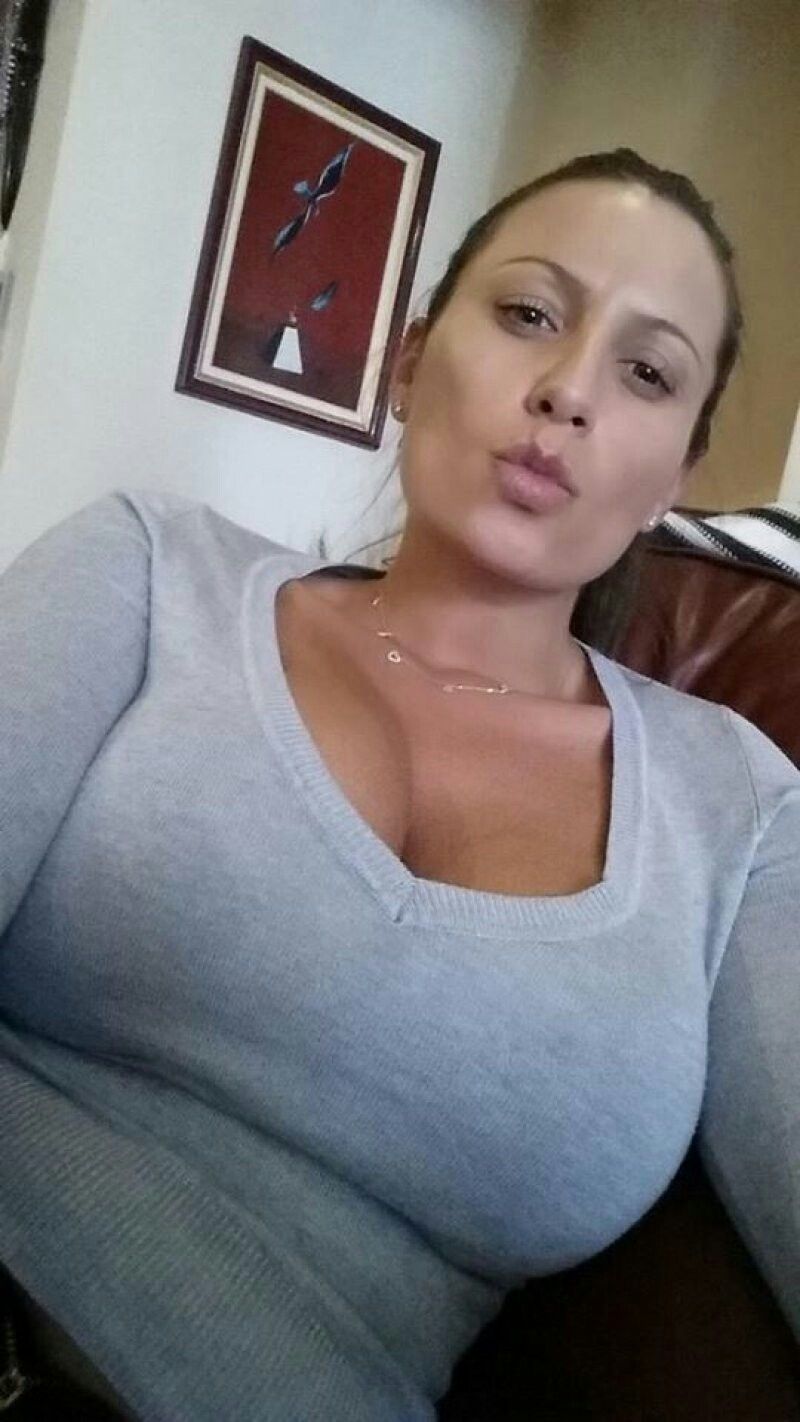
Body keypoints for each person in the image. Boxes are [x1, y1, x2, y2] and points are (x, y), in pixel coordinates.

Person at [1, 147, 798, 1421]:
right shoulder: (151, 568)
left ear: (675, 476)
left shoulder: (741, 809)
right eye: (528, 312)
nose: (567, 390)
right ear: (411, 361)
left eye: (645, 373)